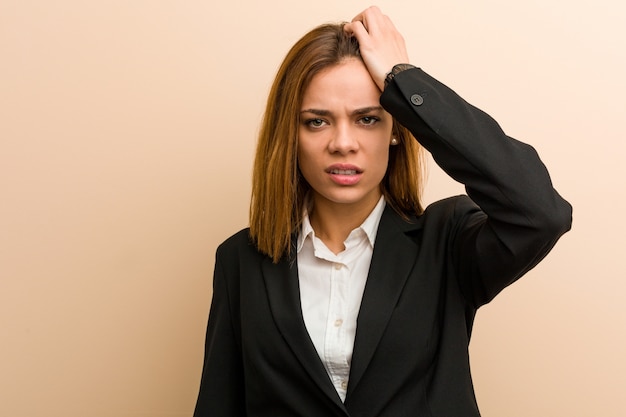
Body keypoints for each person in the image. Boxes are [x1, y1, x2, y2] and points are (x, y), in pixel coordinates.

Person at [193, 6, 572, 417]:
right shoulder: (239, 261)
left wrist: (403, 80)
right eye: (317, 122)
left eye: (368, 119)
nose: (343, 142)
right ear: (291, 134)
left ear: (395, 130)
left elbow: (540, 212)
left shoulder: (446, 243)